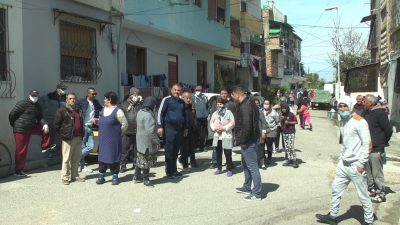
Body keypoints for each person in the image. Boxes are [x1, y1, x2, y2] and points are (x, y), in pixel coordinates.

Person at [316, 96, 375, 225]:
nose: (342, 109)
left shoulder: (360, 121)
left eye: (345, 106)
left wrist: (360, 164)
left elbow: (367, 144)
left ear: (350, 106)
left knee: (363, 194)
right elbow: (345, 143)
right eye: (340, 106)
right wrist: (341, 159)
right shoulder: (343, 121)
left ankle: (369, 221)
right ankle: (332, 216)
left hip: (355, 165)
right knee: (336, 189)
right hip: (344, 164)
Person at [9, 89, 54, 176]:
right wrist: (15, 125)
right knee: (21, 151)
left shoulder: (38, 106)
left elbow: (41, 117)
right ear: (29, 96)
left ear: (38, 96)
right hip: (21, 130)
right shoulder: (22, 104)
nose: (34, 97)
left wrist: (44, 124)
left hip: (31, 127)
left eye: (36, 96)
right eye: (33, 96)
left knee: (46, 127)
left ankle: (45, 146)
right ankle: (18, 171)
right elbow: (12, 115)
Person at [231, 85, 262, 201]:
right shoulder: (248, 103)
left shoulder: (246, 106)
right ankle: (247, 186)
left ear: (237, 94)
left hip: (248, 141)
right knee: (245, 165)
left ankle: (257, 193)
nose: (232, 97)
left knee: (253, 166)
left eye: (233, 95)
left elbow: (247, 126)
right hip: (249, 140)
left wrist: (243, 141)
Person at [363, 94, 392, 203]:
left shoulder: (380, 113)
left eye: (365, 101)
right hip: (366, 147)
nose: (363, 103)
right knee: (368, 171)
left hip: (376, 148)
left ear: (370, 103)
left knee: (377, 172)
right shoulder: (367, 112)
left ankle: (381, 194)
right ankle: (372, 189)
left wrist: (382, 142)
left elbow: (388, 130)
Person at [94, 92, 128, 185]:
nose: (104, 100)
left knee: (114, 156)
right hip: (103, 138)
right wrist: (97, 121)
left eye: (105, 98)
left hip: (113, 139)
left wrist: (118, 133)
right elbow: (103, 122)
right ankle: (101, 175)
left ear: (110, 100)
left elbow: (125, 124)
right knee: (102, 156)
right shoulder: (103, 110)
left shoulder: (118, 111)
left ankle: (115, 176)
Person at [53, 93, 85, 185]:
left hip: (78, 137)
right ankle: (65, 177)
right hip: (68, 139)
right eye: (70, 98)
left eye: (74, 98)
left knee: (76, 158)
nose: (72, 100)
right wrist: (63, 134)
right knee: (66, 159)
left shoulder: (79, 110)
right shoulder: (62, 110)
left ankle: (75, 175)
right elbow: (56, 125)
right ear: (66, 100)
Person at [158, 84, 188, 179]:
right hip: (169, 129)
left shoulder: (182, 102)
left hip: (178, 129)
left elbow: (184, 116)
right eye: (175, 90)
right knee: (169, 150)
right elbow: (160, 113)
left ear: (181, 91)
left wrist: (185, 128)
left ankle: (174, 170)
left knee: (176, 150)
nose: (176, 92)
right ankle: (169, 171)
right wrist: (159, 126)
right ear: (171, 90)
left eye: (178, 90)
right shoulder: (167, 100)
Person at [133, 97, 160, 187]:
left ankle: (136, 176)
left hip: (140, 139)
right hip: (147, 142)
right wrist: (156, 141)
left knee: (140, 158)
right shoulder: (148, 116)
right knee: (146, 161)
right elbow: (150, 132)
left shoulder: (140, 112)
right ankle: (146, 179)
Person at [38, 83, 67, 159]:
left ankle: (64, 153)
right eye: (62, 89)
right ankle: (51, 153)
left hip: (61, 120)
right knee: (51, 136)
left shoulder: (65, 97)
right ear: (57, 89)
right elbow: (41, 100)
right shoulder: (51, 95)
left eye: (64, 89)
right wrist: (45, 108)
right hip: (51, 118)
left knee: (63, 136)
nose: (64, 90)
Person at [77, 88, 103, 173]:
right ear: (88, 94)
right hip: (83, 126)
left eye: (95, 94)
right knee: (84, 146)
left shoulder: (95, 102)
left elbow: (102, 110)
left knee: (90, 147)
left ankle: (75, 159)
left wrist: (97, 118)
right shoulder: (81, 101)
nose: (94, 95)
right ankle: (82, 166)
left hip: (90, 127)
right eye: (93, 94)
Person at [209, 89, 236, 169]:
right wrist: (215, 128)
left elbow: (234, 116)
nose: (223, 95)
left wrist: (226, 128)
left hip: (227, 131)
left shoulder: (231, 104)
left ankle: (229, 164)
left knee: (228, 150)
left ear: (227, 94)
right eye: (222, 93)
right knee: (216, 149)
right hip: (217, 131)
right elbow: (212, 116)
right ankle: (215, 162)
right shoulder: (215, 103)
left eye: (225, 93)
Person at [119, 87, 142, 173]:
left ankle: (136, 164)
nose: (136, 95)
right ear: (130, 95)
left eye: (137, 94)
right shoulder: (123, 104)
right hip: (127, 130)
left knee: (137, 149)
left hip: (137, 130)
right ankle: (123, 165)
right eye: (134, 94)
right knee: (124, 149)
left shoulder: (140, 105)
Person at [178, 91, 198, 173]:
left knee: (191, 147)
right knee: (184, 148)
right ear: (182, 98)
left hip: (190, 129)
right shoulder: (181, 106)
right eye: (187, 97)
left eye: (190, 97)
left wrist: (192, 105)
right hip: (183, 130)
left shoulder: (189, 106)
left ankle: (182, 160)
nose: (189, 99)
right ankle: (183, 164)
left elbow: (193, 114)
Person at [259, 99, 279, 168]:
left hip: (271, 130)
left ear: (270, 104)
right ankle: (262, 158)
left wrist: (275, 128)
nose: (266, 105)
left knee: (269, 144)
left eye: (267, 104)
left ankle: (269, 158)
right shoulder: (260, 111)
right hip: (262, 130)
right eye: (265, 103)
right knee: (261, 144)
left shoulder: (274, 113)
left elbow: (277, 121)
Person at [280, 102, 299, 168]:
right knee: (287, 147)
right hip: (285, 132)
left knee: (291, 146)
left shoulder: (291, 114)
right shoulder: (282, 115)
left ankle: (295, 160)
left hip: (291, 132)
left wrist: (289, 122)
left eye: (285, 108)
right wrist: (281, 119)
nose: (283, 110)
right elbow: (281, 124)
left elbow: (296, 122)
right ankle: (289, 159)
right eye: (282, 108)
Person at [191, 85, 209, 152]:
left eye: (199, 90)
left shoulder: (204, 97)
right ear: (195, 91)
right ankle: (195, 146)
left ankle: (202, 146)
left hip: (204, 117)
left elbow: (208, 106)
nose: (198, 92)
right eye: (197, 90)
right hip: (196, 118)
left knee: (203, 133)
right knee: (195, 132)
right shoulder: (192, 97)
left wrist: (207, 113)